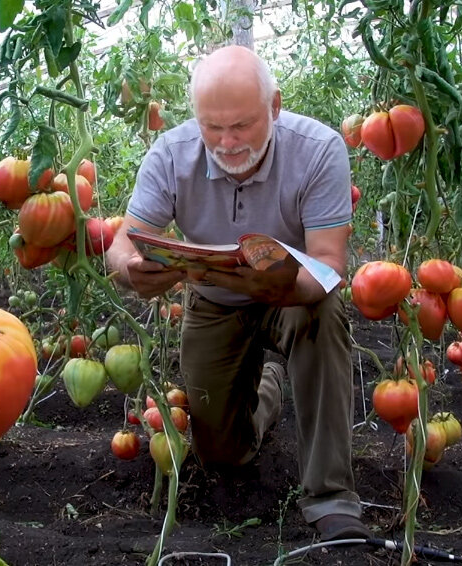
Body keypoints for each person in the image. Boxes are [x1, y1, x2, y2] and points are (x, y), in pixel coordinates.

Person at [104, 45, 370, 542]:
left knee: (326, 314)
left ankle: (330, 495)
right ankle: (267, 384)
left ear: (274, 106)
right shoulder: (170, 154)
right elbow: (123, 242)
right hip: (213, 300)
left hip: (293, 297)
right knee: (221, 455)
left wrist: (284, 283)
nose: (226, 143)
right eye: (212, 127)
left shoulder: (319, 149)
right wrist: (131, 269)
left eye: (242, 126)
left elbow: (330, 264)